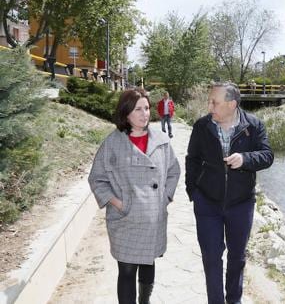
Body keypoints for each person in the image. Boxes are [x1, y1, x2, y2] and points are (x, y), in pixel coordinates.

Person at [88, 88, 180, 304]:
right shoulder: (113, 143)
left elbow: (174, 171)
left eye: (147, 108)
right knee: (127, 271)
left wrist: (165, 198)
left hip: (152, 217)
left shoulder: (161, 140)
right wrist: (118, 203)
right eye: (138, 109)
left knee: (148, 262)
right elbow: (97, 178)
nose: (144, 114)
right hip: (125, 219)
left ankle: (145, 301)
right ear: (126, 112)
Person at [185, 82, 274, 304]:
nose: (209, 106)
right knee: (211, 258)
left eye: (214, 102)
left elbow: (267, 155)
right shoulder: (201, 126)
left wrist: (245, 159)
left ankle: (234, 300)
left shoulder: (254, 126)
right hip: (207, 204)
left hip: (241, 204)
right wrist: (193, 191)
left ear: (232, 104)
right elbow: (192, 159)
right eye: (209, 101)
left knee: (237, 258)